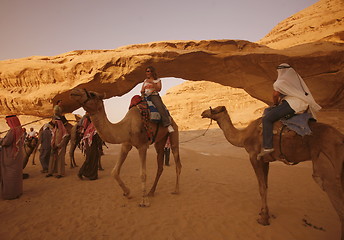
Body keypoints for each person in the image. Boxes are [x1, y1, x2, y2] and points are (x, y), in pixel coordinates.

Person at [258, 63, 322, 158]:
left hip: (291, 105)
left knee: (267, 119)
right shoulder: (296, 81)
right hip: (302, 104)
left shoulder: (279, 83)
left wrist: (275, 104)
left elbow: (276, 95)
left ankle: (268, 147)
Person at [140, 66, 174, 133]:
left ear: (152, 72)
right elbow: (142, 90)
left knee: (160, 107)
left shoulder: (157, 80)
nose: (147, 73)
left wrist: (152, 82)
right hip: (145, 96)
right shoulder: (145, 81)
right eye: (146, 71)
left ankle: (167, 125)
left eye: (148, 71)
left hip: (154, 95)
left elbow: (158, 89)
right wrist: (142, 92)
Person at [0, 115, 25, 200]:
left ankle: (10, 194)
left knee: (9, 176)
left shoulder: (12, 131)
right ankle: (17, 192)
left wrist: (1, 139)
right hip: (17, 157)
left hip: (10, 157)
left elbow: (5, 142)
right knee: (16, 175)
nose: (6, 123)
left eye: (7, 121)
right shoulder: (20, 130)